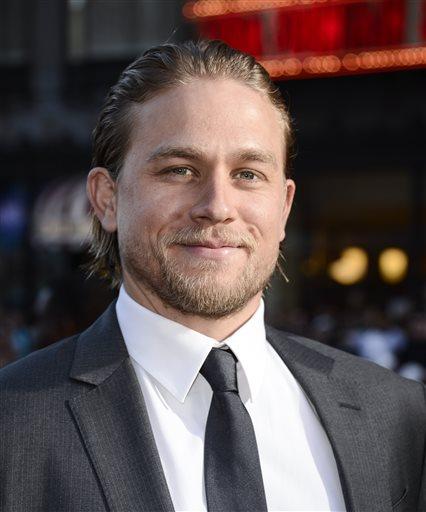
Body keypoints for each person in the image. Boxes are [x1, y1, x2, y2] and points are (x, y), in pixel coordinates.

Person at [0, 40, 425, 512]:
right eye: (180, 170)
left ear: (283, 207)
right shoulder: (13, 426)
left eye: (247, 174)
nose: (218, 207)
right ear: (106, 199)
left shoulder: (395, 415)